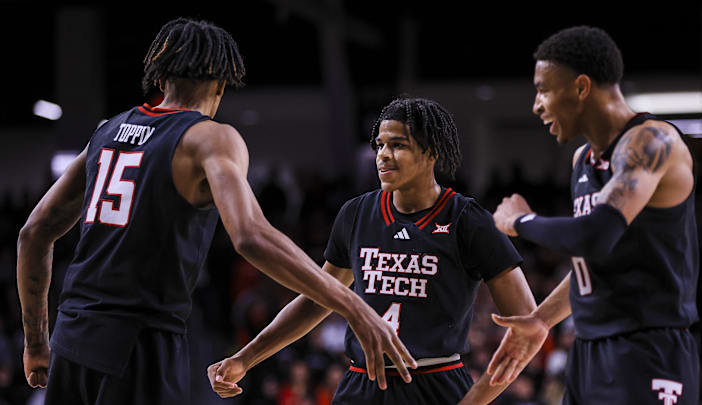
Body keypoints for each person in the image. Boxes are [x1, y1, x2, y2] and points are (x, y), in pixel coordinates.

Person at [16, 18, 415, 405]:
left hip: (71, 341)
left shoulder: (106, 132)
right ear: (222, 84)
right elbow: (251, 236)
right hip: (138, 346)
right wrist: (355, 307)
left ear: (159, 77)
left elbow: (33, 233)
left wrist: (36, 344)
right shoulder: (209, 138)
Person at [208, 97, 540, 404]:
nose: (382, 154)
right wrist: (245, 358)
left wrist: (475, 401)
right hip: (360, 383)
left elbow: (529, 323)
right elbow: (315, 301)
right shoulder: (356, 214)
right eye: (380, 144)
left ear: (431, 152)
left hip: (435, 383)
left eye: (398, 145)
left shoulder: (468, 220)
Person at [483, 26, 699, 404]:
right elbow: (594, 258)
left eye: (543, 89)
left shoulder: (652, 142)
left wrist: (520, 221)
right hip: (589, 352)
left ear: (581, 87)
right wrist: (540, 320)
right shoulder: (582, 159)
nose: (536, 105)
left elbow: (595, 235)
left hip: (648, 350)